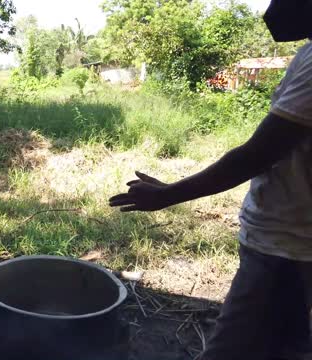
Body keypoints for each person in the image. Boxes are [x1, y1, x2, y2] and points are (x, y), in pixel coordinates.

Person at [109, 1, 312, 359]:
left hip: (286, 248)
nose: (271, 9)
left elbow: (258, 154)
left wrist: (166, 195)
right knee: (287, 345)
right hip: (290, 241)